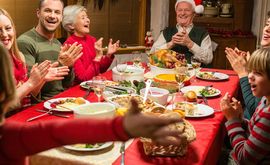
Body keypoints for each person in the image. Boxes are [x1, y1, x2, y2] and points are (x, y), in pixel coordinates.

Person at [0, 41, 183, 164]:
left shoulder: (10, 134)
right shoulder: (10, 137)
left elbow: (61, 132)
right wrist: (123, 127)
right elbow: (60, 132)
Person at [0, 8, 69, 116]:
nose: (4, 34)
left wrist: (40, 80)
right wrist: (31, 82)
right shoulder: (26, 42)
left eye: (8, 28)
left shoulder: (18, 57)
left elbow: (28, 97)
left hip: (22, 117)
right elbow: (4, 106)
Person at [219, 46, 270, 165]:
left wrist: (233, 120)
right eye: (250, 70)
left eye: (258, 73)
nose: (250, 76)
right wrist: (241, 121)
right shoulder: (266, 99)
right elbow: (256, 131)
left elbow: (244, 159)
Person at [17, 0, 83, 100]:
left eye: (57, 12)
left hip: (61, 101)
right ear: (38, 13)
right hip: (39, 106)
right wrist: (62, 64)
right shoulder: (25, 42)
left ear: (61, 17)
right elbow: (28, 86)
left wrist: (69, 66)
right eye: (47, 10)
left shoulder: (58, 44)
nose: (52, 16)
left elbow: (67, 83)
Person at [225, 7, 270, 119]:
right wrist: (251, 66)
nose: (267, 29)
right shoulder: (268, 56)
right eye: (267, 24)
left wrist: (243, 73)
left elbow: (256, 110)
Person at [62, 5, 119, 86]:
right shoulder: (70, 46)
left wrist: (108, 55)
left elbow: (100, 69)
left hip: (94, 85)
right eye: (83, 18)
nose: (88, 20)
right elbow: (83, 78)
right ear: (71, 25)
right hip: (78, 91)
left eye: (87, 17)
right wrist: (97, 58)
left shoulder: (92, 40)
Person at [150, 0, 213, 65]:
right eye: (180, 10)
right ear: (176, 12)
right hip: (168, 73)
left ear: (194, 14)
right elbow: (152, 54)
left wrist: (190, 44)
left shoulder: (203, 34)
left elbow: (208, 59)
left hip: (192, 73)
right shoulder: (166, 32)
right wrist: (170, 44)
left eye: (187, 10)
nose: (182, 13)